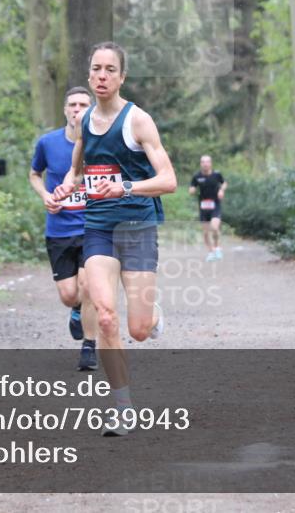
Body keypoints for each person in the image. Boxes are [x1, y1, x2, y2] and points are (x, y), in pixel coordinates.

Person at [52, 41, 177, 436]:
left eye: (110, 69)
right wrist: (65, 189)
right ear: (89, 76)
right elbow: (77, 171)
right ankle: (122, 408)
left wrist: (124, 188)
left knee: (137, 330)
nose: (102, 76)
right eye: (96, 69)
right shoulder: (85, 122)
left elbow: (168, 181)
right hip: (99, 229)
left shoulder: (139, 121)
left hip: (137, 228)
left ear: (122, 77)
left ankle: (153, 317)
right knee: (106, 317)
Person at [30, 86, 99, 371]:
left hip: (94, 228)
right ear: (65, 109)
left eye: (83, 104)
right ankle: (75, 311)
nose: (77, 109)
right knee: (70, 294)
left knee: (89, 286)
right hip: (59, 229)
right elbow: (35, 174)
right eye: (72, 104)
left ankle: (89, 347)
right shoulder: (48, 143)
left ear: (91, 109)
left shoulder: (100, 144)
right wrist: (45, 196)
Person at [189, 155, 227, 261]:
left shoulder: (217, 174)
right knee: (205, 232)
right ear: (200, 164)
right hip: (203, 207)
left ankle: (217, 247)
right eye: (203, 162)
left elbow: (224, 183)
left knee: (214, 227)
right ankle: (211, 252)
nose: (205, 164)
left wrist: (221, 190)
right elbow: (192, 187)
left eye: (207, 162)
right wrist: (192, 190)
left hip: (215, 205)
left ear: (211, 163)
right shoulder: (197, 176)